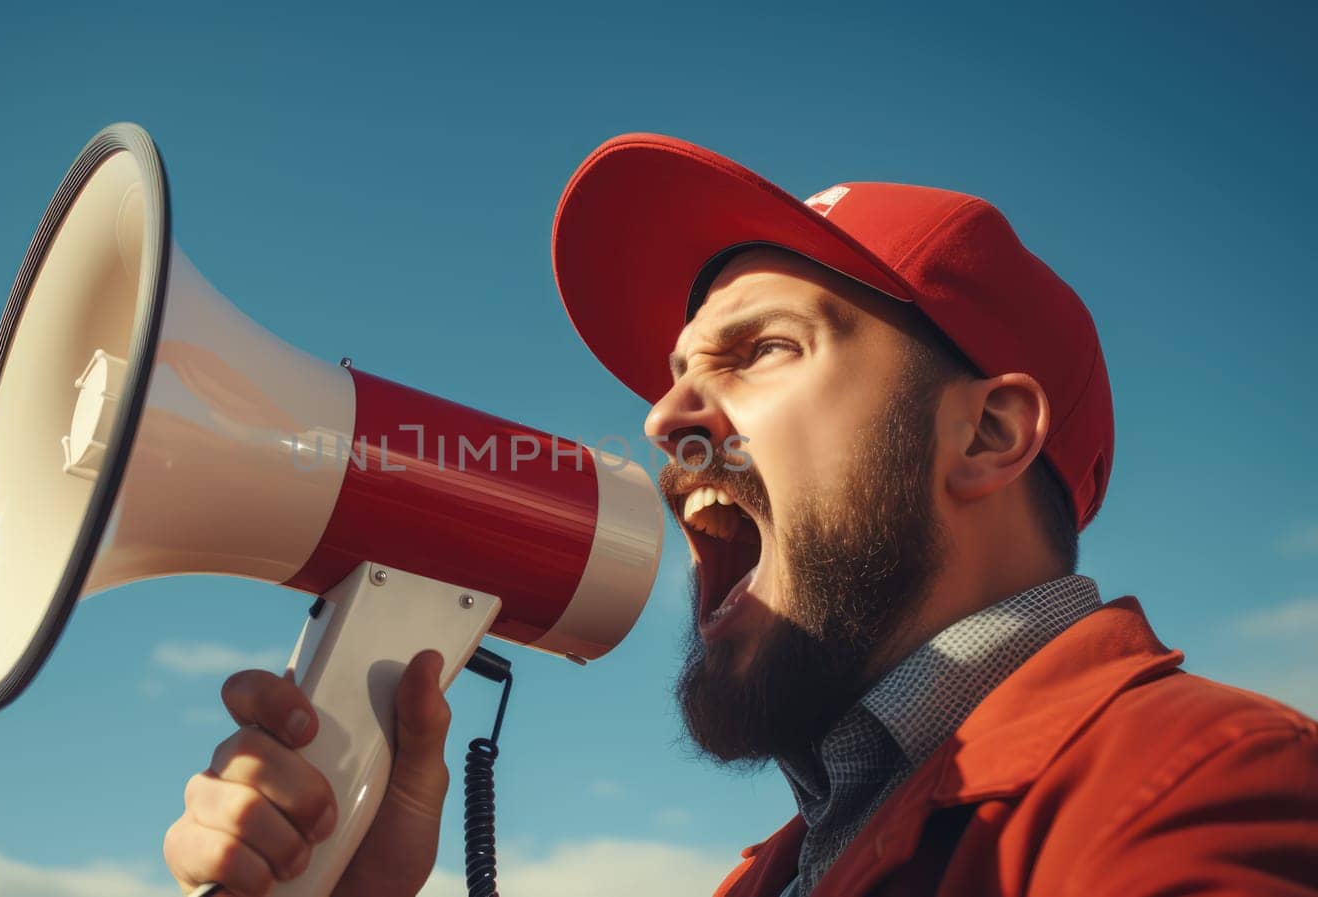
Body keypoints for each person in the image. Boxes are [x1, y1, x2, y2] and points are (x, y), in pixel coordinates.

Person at [162, 135, 1318, 896]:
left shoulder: (1195, 790)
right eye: (671, 373)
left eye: (761, 350)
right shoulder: (770, 876)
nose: (664, 417)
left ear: (987, 436)